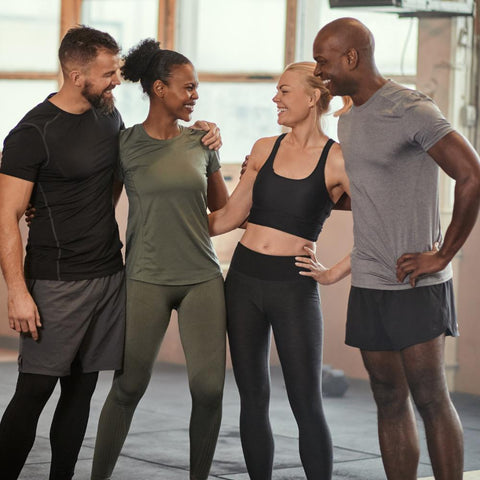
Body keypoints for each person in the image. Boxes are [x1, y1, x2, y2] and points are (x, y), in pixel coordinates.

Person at [0, 27, 220, 480]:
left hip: (108, 275)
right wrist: (18, 292)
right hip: (56, 282)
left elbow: (123, 175)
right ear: (76, 74)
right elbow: (6, 216)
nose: (117, 81)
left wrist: (205, 133)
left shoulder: (108, 117)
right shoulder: (31, 132)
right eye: (107, 74)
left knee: (81, 395)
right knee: (33, 393)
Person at [312, 17, 480, 480]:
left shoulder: (409, 108)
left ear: (352, 57)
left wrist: (443, 255)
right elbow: (370, 192)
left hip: (415, 281)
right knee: (387, 396)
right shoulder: (348, 120)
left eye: (323, 61)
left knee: (430, 397)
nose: (318, 69)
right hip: (369, 281)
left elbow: (471, 176)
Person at [90, 39, 229, 480]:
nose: (195, 95)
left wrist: (243, 169)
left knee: (209, 390)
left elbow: (221, 213)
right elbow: (99, 207)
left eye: (197, 88)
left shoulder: (202, 142)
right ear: (158, 89)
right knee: (129, 386)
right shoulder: (125, 144)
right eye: (187, 88)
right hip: (146, 278)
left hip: (201, 278)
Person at [208, 62, 351, 480]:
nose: (275, 98)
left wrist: (335, 271)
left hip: (294, 287)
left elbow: (383, 223)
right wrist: (167, 218)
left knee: (306, 402)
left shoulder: (338, 160)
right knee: (252, 397)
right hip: (244, 281)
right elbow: (228, 217)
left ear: (311, 98)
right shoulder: (264, 147)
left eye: (284, 91)